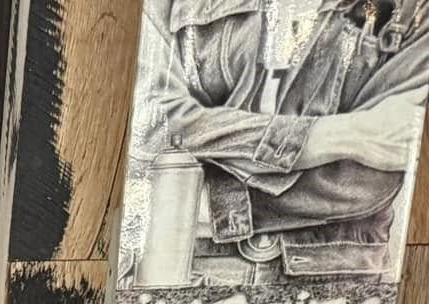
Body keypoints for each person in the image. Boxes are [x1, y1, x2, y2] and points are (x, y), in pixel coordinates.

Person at [138, 0, 429, 278]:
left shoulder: (412, 10)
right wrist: (333, 135)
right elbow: (153, 124)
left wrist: (193, 199)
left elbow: (378, 170)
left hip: (330, 274)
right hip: (179, 261)